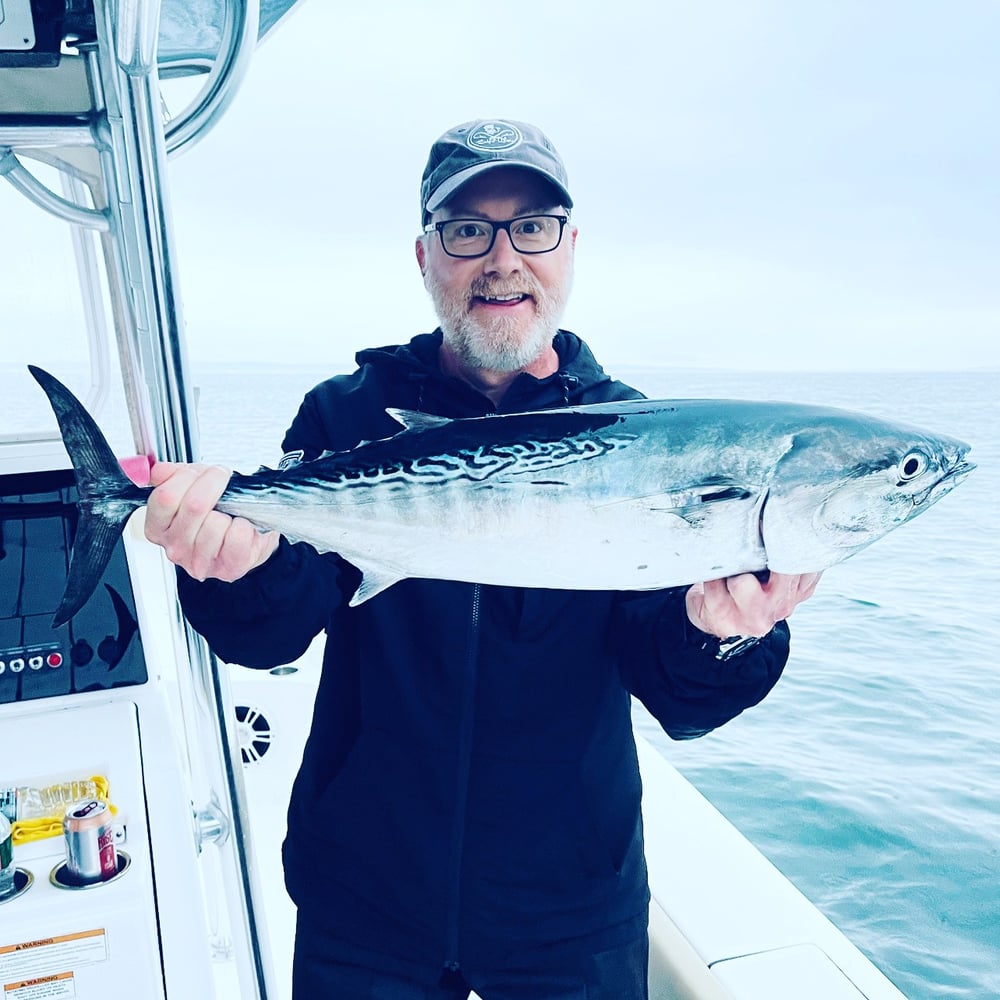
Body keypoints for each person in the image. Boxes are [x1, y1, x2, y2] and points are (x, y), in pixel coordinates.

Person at [144, 119, 821, 1000]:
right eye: (468, 230)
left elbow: (679, 692)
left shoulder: (645, 440)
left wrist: (723, 635)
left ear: (570, 247)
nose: (502, 258)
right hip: (364, 903)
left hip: (568, 916)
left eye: (531, 226)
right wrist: (235, 569)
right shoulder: (348, 416)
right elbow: (275, 628)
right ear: (424, 255)